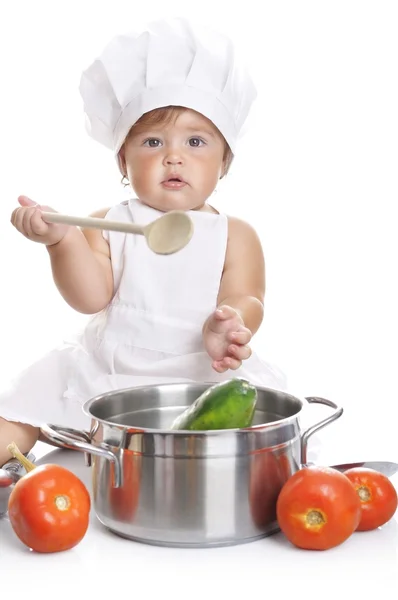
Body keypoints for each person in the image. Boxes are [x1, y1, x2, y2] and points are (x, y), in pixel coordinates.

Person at [0, 17, 287, 466]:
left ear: (224, 162)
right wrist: (62, 241)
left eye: (196, 141)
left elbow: (248, 297)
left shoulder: (235, 235)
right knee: (24, 407)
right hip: (108, 370)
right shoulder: (109, 222)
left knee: (256, 437)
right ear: (123, 159)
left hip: (197, 373)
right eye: (152, 142)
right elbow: (90, 297)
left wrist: (230, 325)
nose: (174, 156)